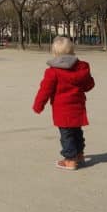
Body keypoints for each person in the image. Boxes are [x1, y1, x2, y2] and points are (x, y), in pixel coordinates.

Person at [32, 36, 95, 170]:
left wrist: (38, 105)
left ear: (54, 54)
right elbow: (89, 85)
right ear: (72, 51)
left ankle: (70, 160)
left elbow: (45, 90)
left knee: (66, 135)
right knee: (77, 132)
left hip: (62, 109)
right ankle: (79, 154)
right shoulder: (82, 68)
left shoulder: (53, 72)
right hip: (78, 107)